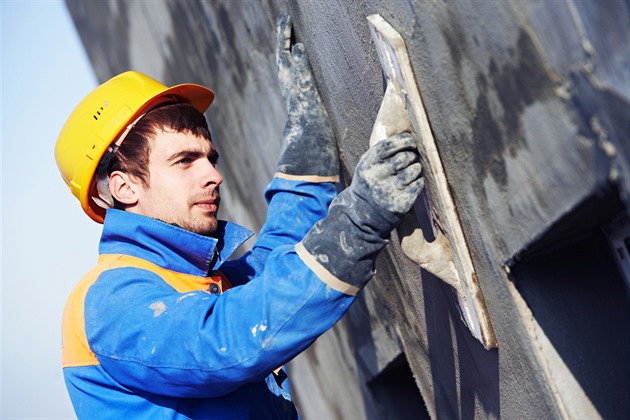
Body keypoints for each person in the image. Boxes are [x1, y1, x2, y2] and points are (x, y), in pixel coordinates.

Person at [56, 14, 423, 419]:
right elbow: (224, 342)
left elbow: (276, 262)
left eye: (210, 158)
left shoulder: (201, 282)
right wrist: (358, 222)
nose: (214, 175)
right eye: (184, 161)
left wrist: (307, 137)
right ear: (125, 187)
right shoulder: (108, 302)